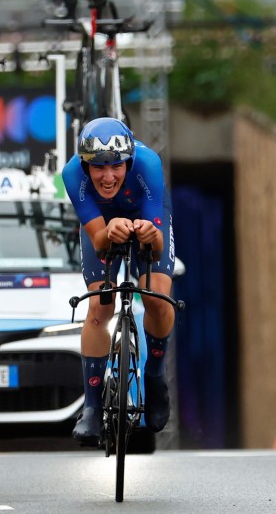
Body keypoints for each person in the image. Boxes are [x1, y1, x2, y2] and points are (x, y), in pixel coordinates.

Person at [62, 117, 176, 445]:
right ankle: (93, 408)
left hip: (146, 216)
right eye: (98, 168)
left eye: (116, 167)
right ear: (85, 165)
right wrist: (108, 231)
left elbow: (155, 246)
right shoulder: (72, 174)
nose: (108, 177)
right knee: (100, 306)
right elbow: (98, 239)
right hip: (102, 221)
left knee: (156, 296)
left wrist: (149, 233)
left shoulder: (149, 165)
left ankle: (154, 375)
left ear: (128, 161)